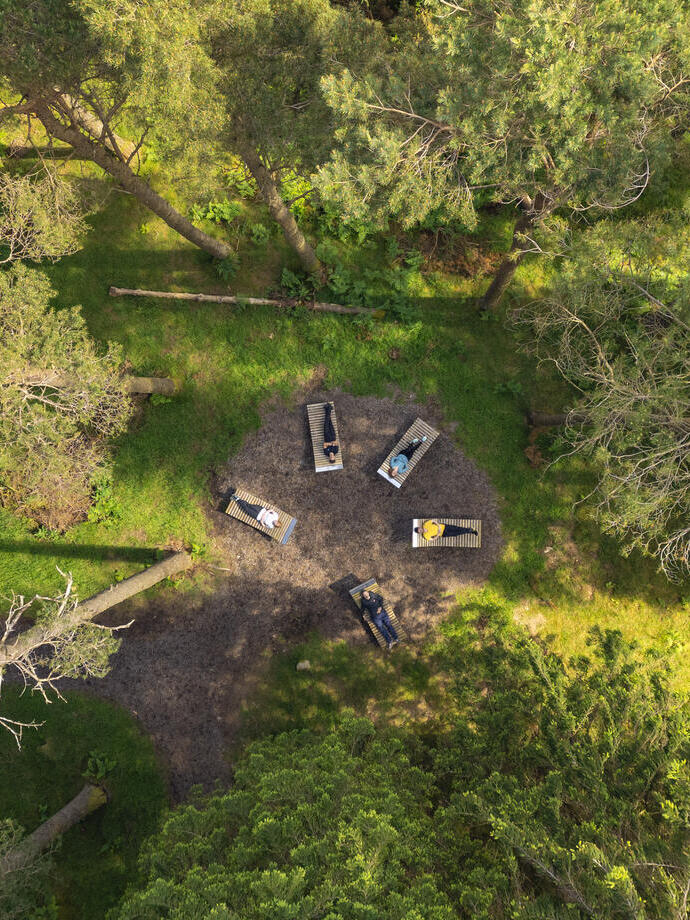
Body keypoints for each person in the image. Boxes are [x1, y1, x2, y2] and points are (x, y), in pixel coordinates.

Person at [414, 520, 478, 541]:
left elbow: (433, 521)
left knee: (457, 528)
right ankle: (470, 531)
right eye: (419, 531)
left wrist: (438, 525)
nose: (420, 530)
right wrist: (438, 534)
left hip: (444, 526)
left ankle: (470, 531)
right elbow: (433, 539)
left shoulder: (425, 524)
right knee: (457, 533)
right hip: (444, 534)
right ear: (419, 533)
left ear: (420, 527)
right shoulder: (425, 536)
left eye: (419, 529)